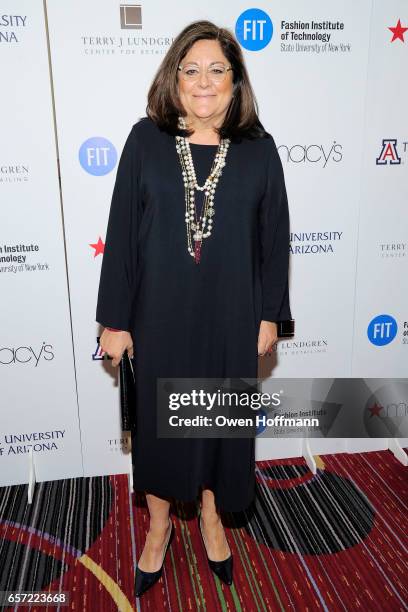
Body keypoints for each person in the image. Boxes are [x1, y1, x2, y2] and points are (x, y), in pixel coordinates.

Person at [96, 20, 292, 599]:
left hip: (232, 315)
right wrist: (116, 319)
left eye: (217, 70)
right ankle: (158, 529)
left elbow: (274, 237)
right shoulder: (144, 140)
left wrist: (269, 315)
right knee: (160, 429)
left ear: (236, 82)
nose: (203, 81)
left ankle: (210, 516)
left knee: (216, 425)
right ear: (173, 78)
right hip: (158, 314)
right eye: (191, 69)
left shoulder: (259, 149)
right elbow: (122, 231)